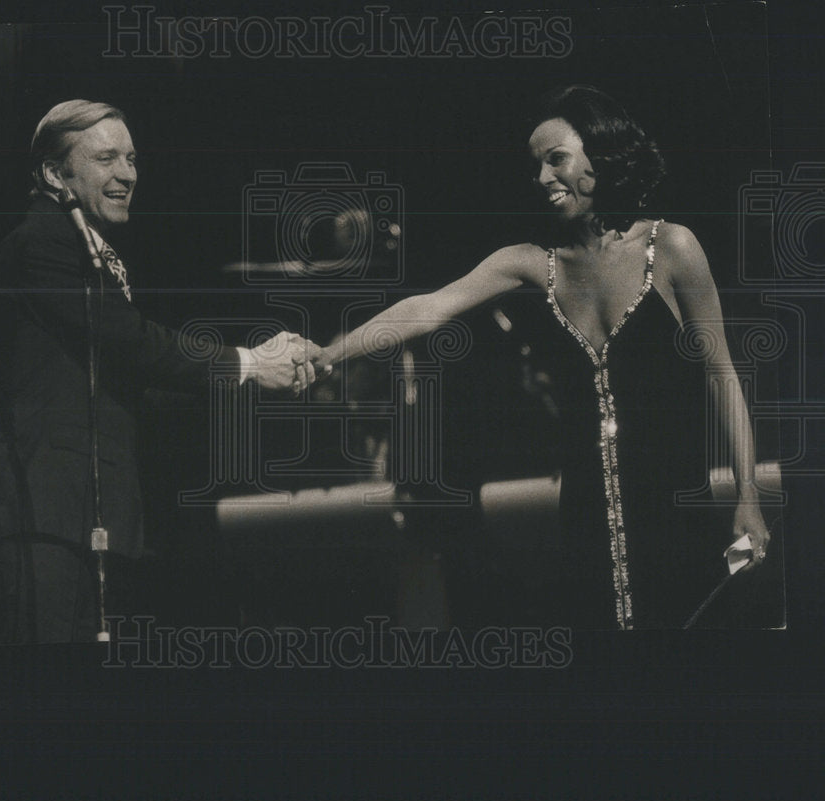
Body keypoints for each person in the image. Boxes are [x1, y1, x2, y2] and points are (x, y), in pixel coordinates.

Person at [320, 85, 771, 629]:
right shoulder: (532, 264)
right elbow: (427, 308)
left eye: (557, 159)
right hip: (582, 517)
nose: (543, 178)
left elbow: (722, 374)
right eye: (536, 166)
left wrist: (748, 497)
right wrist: (327, 355)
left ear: (600, 156)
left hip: (675, 509)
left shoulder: (673, 247)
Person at [0, 100, 323, 644]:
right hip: (42, 516)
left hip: (89, 520)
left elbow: (137, 383)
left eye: (131, 158)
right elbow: (134, 343)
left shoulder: (88, 252)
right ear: (55, 174)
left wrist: (259, 364)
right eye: (106, 158)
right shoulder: (42, 243)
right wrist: (249, 363)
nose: (127, 174)